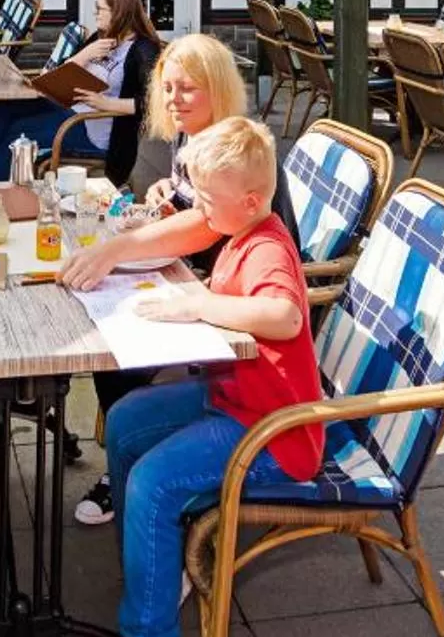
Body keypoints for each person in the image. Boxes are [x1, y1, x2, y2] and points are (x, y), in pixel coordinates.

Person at [65, 118, 325, 637]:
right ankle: (148, 579)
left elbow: (285, 315)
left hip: (276, 432)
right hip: (234, 398)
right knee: (127, 419)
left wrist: (196, 304)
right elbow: (195, 229)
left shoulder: (264, 244)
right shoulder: (238, 222)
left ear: (252, 201)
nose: (200, 209)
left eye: (209, 199)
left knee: (153, 482)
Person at [64, 33, 302, 526]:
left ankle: (143, 480)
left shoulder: (233, 147)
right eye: (167, 88)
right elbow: (191, 201)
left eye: (187, 89)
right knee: (112, 326)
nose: (173, 100)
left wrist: (121, 248)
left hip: (240, 313)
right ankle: (136, 470)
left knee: (117, 356)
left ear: (217, 89)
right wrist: (167, 192)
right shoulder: (190, 136)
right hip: (205, 284)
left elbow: (207, 225)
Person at [0, 0, 162, 186]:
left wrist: (106, 104)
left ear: (119, 12)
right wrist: (84, 54)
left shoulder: (143, 50)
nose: (95, 13)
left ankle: (0, 194)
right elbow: (67, 70)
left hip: (91, 130)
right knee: (5, 105)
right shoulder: (101, 38)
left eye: (100, 9)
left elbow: (154, 102)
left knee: (16, 135)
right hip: (70, 108)